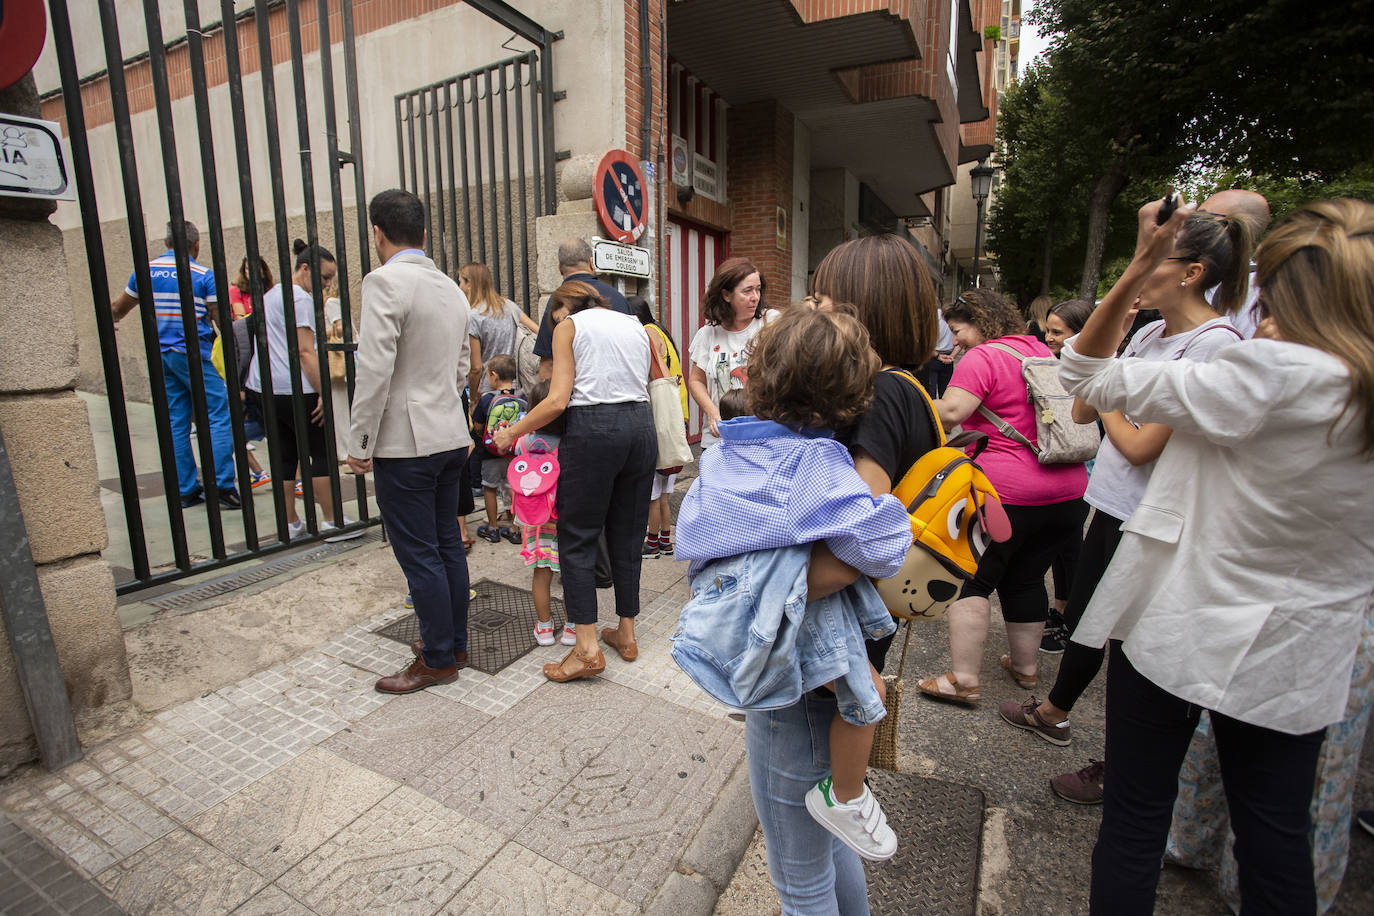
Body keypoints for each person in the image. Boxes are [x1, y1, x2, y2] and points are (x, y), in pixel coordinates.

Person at [1058, 197, 1374, 914]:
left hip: (1181, 619)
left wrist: (1140, 260)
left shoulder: (1263, 373)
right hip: (1303, 646)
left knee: (1136, 816)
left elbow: (1081, 375)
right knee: (1273, 835)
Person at [997, 213, 1250, 805]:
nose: (1139, 270)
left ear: (1191, 273)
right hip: (1108, 506)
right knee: (1088, 622)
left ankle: (1125, 766)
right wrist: (1111, 387)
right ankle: (1057, 712)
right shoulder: (1146, 336)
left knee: (1137, 650)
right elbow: (1083, 410)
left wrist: (1112, 390)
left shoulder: (1216, 346)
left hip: (1157, 524)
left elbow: (1137, 446)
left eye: (1155, 257)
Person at [732, 235, 942, 912]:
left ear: (862, 306)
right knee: (824, 847)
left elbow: (838, 553)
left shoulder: (878, 396)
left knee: (799, 883)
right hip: (842, 654)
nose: (809, 303)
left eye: (822, 292)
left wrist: (738, 597)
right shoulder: (912, 387)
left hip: (810, 664)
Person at [676, 307, 911, 864]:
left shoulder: (731, 446)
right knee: (868, 698)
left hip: (720, 596)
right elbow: (871, 551)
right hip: (801, 619)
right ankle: (845, 796)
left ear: (754, 375)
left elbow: (696, 528)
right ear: (851, 398)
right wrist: (897, 513)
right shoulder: (821, 465)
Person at [918, 289, 1089, 704]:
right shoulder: (1039, 351)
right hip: (1067, 493)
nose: (954, 342)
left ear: (980, 322)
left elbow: (954, 412)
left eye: (957, 331)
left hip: (1006, 496)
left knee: (972, 578)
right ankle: (1026, 669)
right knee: (1027, 576)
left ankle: (963, 679)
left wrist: (906, 397)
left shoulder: (984, 357)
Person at [493, 280, 654, 682]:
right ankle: (627, 634)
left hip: (594, 428)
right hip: (641, 427)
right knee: (627, 534)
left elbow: (557, 399)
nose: (554, 324)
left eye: (554, 315)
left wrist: (512, 432)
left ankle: (585, 649)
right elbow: (652, 379)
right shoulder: (634, 324)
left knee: (578, 537)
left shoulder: (570, 326)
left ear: (564, 308)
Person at [349, 189, 474, 694]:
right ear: (423, 233)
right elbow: (465, 366)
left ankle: (439, 658)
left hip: (406, 443)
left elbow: (373, 368)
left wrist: (359, 442)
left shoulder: (384, 282)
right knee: (447, 544)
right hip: (449, 435)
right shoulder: (451, 287)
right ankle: (454, 642)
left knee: (420, 552)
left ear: (377, 233)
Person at [110, 221, 242, 510]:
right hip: (195, 353)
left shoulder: (144, 273)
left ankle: (185, 489)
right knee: (219, 414)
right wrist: (233, 360)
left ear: (167, 243)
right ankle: (221, 485)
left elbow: (118, 309)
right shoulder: (202, 275)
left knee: (175, 420)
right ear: (195, 245)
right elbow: (222, 321)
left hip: (162, 356)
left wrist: (111, 323)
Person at [243, 238, 341, 537]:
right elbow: (305, 350)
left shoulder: (274, 293)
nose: (326, 285)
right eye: (324, 277)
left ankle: (290, 523)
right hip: (294, 387)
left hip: (265, 386)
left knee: (285, 454)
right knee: (320, 451)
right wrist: (323, 391)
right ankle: (331, 520)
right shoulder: (299, 299)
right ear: (304, 268)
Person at [1037, 297, 1097, 653]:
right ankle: (1061, 612)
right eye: (1047, 329)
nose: (1049, 337)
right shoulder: (1054, 365)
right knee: (1063, 549)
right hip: (1061, 470)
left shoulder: (1091, 371)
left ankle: (1067, 618)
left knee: (1071, 550)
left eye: (1057, 332)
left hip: (1082, 472)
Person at [686, 258, 778, 449]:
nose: (755, 297)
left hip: (765, 438)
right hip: (720, 439)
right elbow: (696, 380)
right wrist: (712, 411)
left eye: (758, 289)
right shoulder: (708, 333)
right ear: (726, 295)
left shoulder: (772, 323)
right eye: (747, 291)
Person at [512, 379, 569, 647]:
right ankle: (571, 627)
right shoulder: (570, 444)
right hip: (566, 520)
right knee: (571, 574)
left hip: (537, 522)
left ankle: (544, 628)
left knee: (541, 573)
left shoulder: (524, 443)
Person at [631, 295, 687, 557]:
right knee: (664, 493)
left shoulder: (647, 333)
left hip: (660, 423)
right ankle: (665, 540)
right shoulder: (659, 329)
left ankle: (651, 542)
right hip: (674, 420)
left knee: (653, 494)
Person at [531, 239, 632, 380]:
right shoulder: (619, 298)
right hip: (622, 387)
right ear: (592, 263)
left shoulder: (557, 302)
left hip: (577, 393)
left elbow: (548, 364)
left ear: (560, 269)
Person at [471, 354, 526, 545]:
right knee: (515, 489)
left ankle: (493, 528)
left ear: (494, 376)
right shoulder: (522, 397)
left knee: (489, 488)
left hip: (490, 454)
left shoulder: (487, 400)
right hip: (515, 453)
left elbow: (478, 426)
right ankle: (516, 529)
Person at [463, 261, 539, 396]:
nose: (459, 286)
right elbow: (537, 331)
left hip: (488, 388)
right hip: (516, 385)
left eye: (461, 282)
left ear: (469, 283)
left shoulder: (473, 316)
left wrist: (474, 398)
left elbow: (476, 368)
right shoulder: (508, 306)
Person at [229, 255, 272, 320]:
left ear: (263, 271)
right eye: (247, 268)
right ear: (244, 271)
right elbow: (240, 318)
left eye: (255, 268)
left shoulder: (269, 289)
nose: (251, 272)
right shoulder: (235, 290)